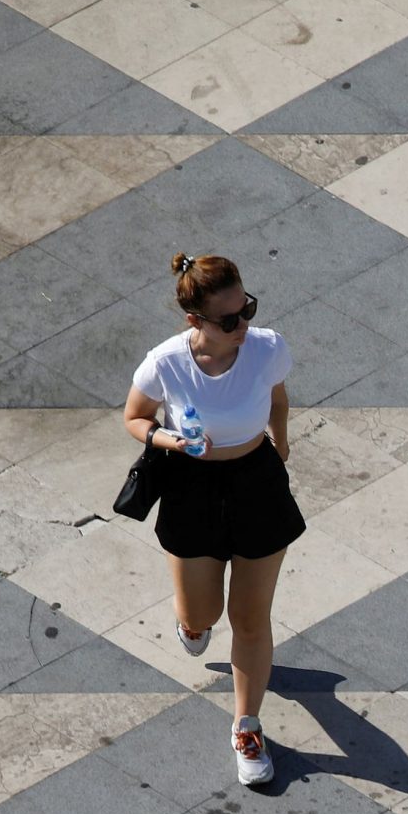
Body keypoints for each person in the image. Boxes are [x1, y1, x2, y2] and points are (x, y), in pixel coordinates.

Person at [124, 252, 300, 786]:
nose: (242, 325)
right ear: (194, 321)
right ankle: (191, 622)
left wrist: (282, 445)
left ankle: (247, 727)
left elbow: (278, 399)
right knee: (205, 613)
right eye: (229, 319)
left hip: (256, 481)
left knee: (250, 618)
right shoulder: (166, 362)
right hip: (191, 487)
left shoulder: (265, 346)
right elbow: (134, 416)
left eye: (246, 308)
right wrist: (165, 439)